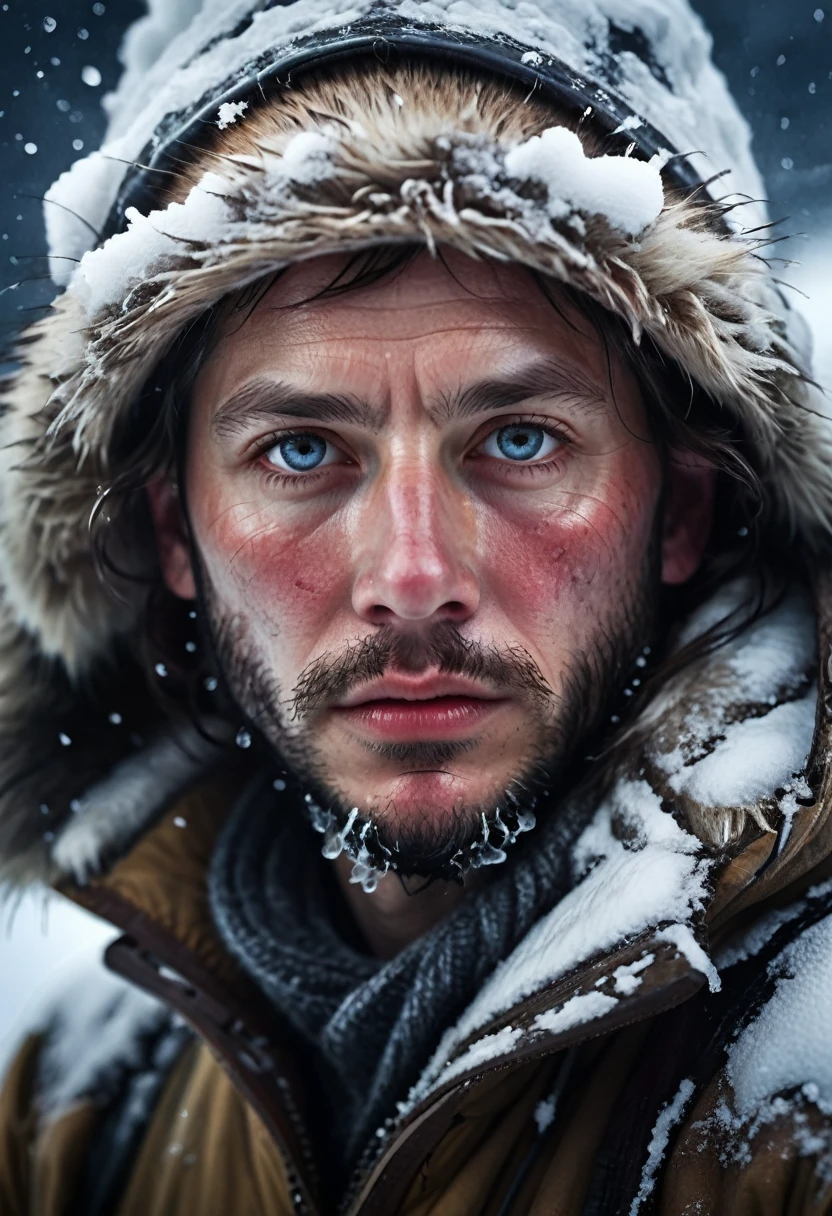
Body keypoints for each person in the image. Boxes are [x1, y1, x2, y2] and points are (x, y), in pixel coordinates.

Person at [1, 0, 831, 1212]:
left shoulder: (802, 1097)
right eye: (298, 451)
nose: (411, 576)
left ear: (686, 509)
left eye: (518, 438)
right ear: (172, 532)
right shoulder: (79, 1108)